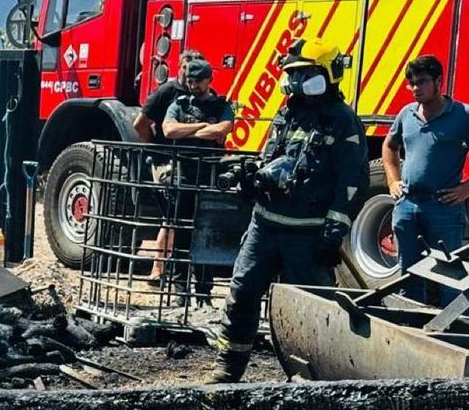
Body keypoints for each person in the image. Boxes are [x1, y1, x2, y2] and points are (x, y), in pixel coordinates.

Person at [209, 37, 367, 383]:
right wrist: (252, 180)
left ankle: (310, 378)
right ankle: (227, 369)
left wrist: (333, 231)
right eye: (293, 75)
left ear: (328, 73)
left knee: (310, 309)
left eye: (306, 74)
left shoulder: (344, 121)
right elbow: (272, 158)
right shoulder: (287, 112)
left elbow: (351, 183)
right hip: (265, 226)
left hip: (307, 235)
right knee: (241, 294)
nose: (296, 82)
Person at [383, 55, 469, 305]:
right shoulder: (406, 114)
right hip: (407, 207)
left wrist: (465, 189)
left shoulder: (462, 115)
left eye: (421, 82)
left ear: (439, 81)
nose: (415, 89)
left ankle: (448, 336)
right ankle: (410, 330)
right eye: (411, 83)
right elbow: (390, 146)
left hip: (443, 209)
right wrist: (392, 180)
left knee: (449, 280)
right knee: (408, 277)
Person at [161, 58, 235, 306]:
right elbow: (168, 131)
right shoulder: (179, 104)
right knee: (181, 234)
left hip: (210, 177)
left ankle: (204, 293)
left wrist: (192, 131)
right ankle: (180, 294)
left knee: (207, 235)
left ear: (208, 80)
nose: (193, 85)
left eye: (198, 81)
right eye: (190, 81)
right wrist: (204, 126)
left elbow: (222, 129)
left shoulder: (221, 105)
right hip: (184, 177)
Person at [135, 49, 203, 283]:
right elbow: (140, 124)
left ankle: (180, 270)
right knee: (172, 213)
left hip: (192, 162)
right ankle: (158, 268)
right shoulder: (167, 92)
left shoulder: (205, 96)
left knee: (184, 214)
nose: (189, 73)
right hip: (165, 161)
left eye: (194, 69)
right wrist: (156, 148)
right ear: (179, 68)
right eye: (186, 67)